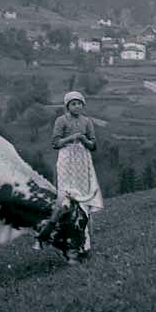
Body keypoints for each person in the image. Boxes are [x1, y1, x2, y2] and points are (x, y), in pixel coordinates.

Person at [45, 91, 104, 259]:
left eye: (79, 103)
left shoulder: (87, 122)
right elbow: (55, 143)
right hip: (66, 159)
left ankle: (85, 239)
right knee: (67, 196)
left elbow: (93, 145)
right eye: (73, 104)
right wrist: (72, 138)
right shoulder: (61, 121)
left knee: (83, 197)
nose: (77, 106)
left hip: (83, 159)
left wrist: (85, 141)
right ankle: (66, 235)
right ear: (67, 106)